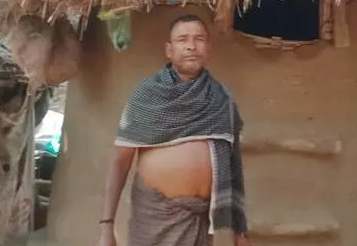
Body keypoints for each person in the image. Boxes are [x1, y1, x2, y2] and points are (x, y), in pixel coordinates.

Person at [96, 14, 251, 246]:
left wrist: (239, 230)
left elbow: (233, 168)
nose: (191, 45)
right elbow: (120, 163)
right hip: (155, 217)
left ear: (208, 48)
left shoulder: (222, 100)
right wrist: (106, 227)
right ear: (169, 50)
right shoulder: (148, 95)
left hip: (199, 220)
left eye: (199, 39)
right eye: (182, 39)